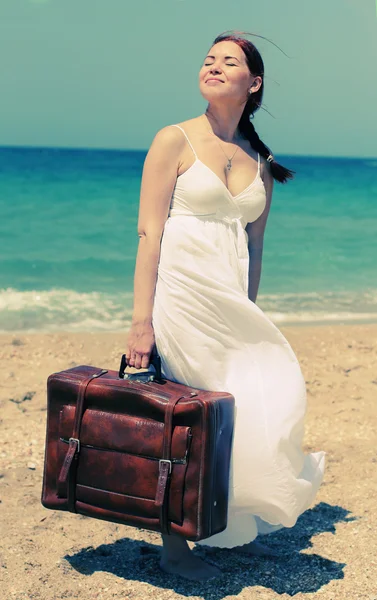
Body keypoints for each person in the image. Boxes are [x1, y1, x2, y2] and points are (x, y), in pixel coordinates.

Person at [125, 31, 326, 581]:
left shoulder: (261, 160)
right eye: (208, 59)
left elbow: (255, 247)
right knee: (189, 415)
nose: (213, 66)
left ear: (252, 83)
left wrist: (249, 314)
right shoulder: (174, 140)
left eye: (228, 61)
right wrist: (141, 321)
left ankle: (234, 521)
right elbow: (149, 233)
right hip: (182, 297)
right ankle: (174, 548)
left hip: (231, 304)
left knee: (258, 402)